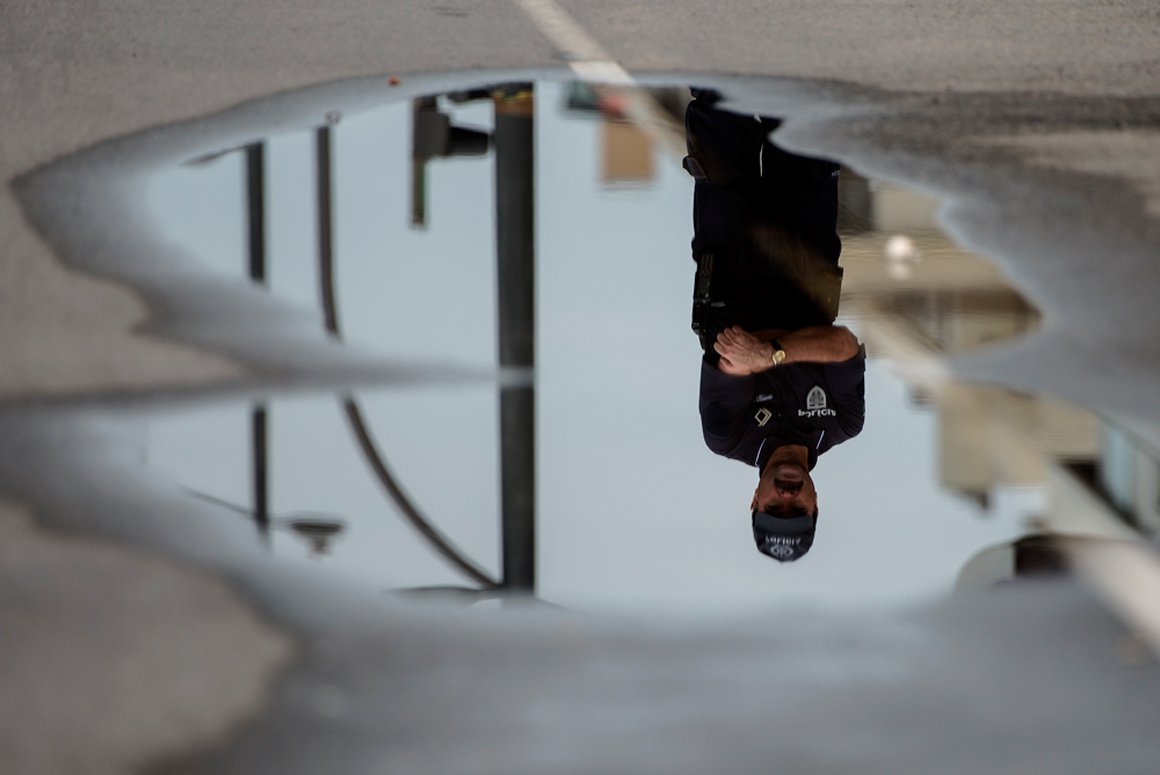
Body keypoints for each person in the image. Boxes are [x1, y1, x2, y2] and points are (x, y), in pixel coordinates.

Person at [685, 89, 866, 563]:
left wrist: (794, 348)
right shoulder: (843, 424)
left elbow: (727, 351)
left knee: (717, 101)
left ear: (754, 501)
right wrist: (770, 355)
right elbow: (844, 344)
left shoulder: (728, 435)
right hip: (807, 250)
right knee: (803, 103)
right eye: (796, 510)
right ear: (815, 505)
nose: (787, 498)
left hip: (730, 250)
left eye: (773, 509)